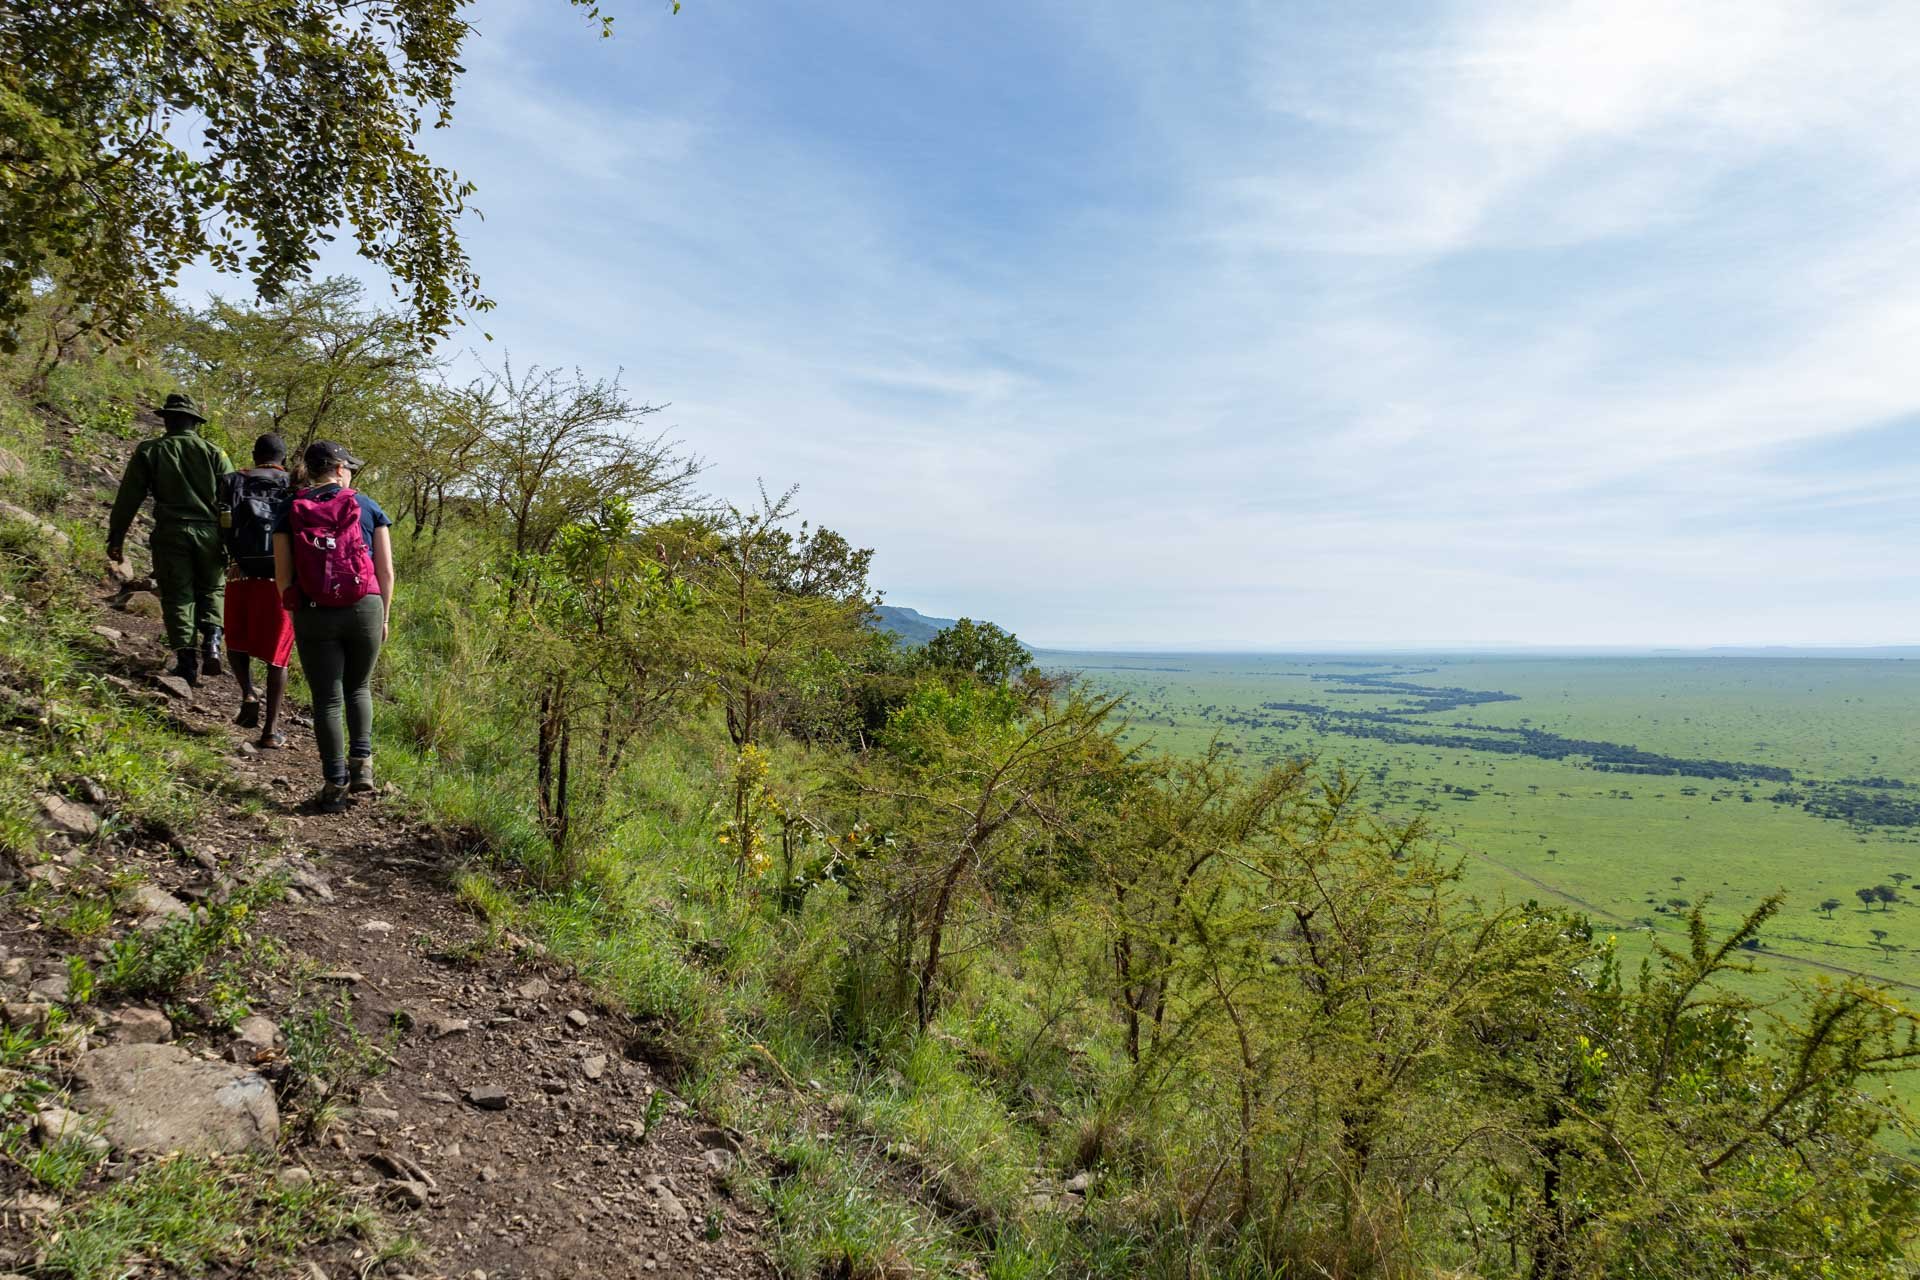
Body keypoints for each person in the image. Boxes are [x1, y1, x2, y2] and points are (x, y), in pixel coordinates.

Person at [274, 440, 393, 812]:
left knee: (326, 698)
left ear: (309, 470)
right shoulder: (367, 505)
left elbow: (283, 575)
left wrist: (296, 612)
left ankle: (333, 786)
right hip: (365, 605)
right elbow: (386, 570)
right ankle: (363, 768)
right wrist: (384, 615)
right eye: (350, 467)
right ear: (340, 469)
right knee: (359, 687)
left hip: (314, 609)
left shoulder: (291, 508)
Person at [106, 392, 234, 684]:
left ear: (167, 420)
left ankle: (187, 662)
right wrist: (232, 542)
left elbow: (129, 497)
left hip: (171, 533)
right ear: (195, 423)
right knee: (213, 589)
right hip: (211, 534)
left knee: (178, 595)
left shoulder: (150, 451)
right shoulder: (216, 452)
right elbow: (232, 500)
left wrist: (117, 538)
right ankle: (213, 641)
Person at [219, 434, 295, 747]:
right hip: (281, 578)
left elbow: (221, 524)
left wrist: (229, 558)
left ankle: (248, 692)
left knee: (236, 638)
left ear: (254, 454)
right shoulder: (294, 485)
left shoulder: (232, 480)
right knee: (279, 656)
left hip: (241, 572)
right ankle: (271, 731)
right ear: (284, 459)